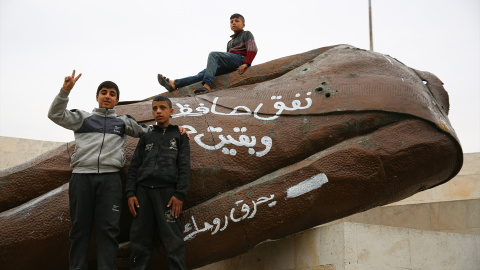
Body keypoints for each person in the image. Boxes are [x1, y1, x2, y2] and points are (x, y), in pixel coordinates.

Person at [47, 70, 187, 270]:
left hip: (110, 180)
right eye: (104, 92)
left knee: (108, 231)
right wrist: (64, 92)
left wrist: (177, 130)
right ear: (97, 97)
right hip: (82, 178)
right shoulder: (82, 118)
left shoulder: (122, 122)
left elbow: (149, 133)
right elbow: (55, 114)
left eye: (112, 94)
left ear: (117, 100)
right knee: (79, 230)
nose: (107, 96)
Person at [125, 95, 190, 270]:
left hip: (168, 195)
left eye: (162, 107)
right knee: (139, 242)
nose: (158, 111)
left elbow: (184, 167)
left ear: (171, 111)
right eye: (154, 108)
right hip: (142, 194)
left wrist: (179, 194)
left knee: (173, 243)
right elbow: (134, 167)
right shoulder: (146, 136)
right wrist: (131, 193)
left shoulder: (180, 135)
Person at [157, 13, 257, 95]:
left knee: (214, 55)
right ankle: (175, 83)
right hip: (231, 63)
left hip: (240, 59)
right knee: (204, 73)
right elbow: (227, 58)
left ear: (243, 24)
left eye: (237, 21)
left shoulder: (246, 34)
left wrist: (246, 64)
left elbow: (253, 49)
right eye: (231, 22)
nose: (233, 23)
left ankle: (207, 86)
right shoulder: (229, 42)